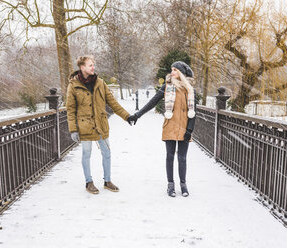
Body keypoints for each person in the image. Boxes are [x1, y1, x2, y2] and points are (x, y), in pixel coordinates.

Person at [127, 61, 196, 197]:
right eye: (172, 69)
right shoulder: (167, 87)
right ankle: (170, 185)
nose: (172, 72)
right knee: (170, 156)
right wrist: (137, 115)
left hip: (184, 128)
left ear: (181, 73)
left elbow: (194, 111)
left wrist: (190, 130)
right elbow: (152, 102)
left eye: (175, 70)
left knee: (182, 158)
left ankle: (183, 184)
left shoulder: (189, 89)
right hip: (170, 126)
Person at [66, 55, 131, 194]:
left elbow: (113, 103)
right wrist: (73, 130)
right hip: (84, 126)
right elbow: (70, 110)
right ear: (82, 67)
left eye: (93, 64)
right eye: (90, 65)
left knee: (107, 152)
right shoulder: (73, 85)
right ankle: (89, 182)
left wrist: (127, 116)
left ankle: (107, 181)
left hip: (101, 124)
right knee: (86, 153)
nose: (93, 67)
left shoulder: (100, 83)